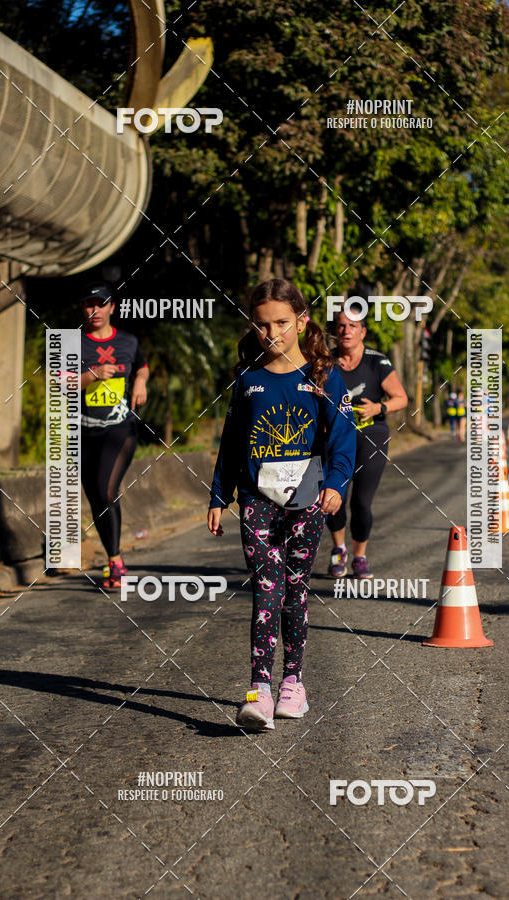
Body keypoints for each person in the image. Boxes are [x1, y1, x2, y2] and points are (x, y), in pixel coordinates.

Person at [207, 279, 356, 732]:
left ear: (302, 320)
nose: (271, 333)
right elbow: (232, 442)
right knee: (266, 589)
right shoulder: (247, 379)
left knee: (294, 590)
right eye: (262, 324)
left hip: (308, 500)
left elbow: (345, 437)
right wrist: (219, 494)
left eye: (281, 323)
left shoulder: (323, 375)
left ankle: (293, 682)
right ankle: (259, 690)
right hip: (256, 499)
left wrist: (335, 484)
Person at [326, 310, 407, 578]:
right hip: (335, 438)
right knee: (334, 497)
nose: (346, 330)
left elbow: (401, 398)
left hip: (371, 436)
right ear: (335, 331)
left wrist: (378, 407)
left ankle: (359, 556)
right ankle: (339, 549)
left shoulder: (377, 362)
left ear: (362, 332)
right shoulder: (326, 362)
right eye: (341, 326)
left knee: (361, 501)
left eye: (352, 326)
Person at [79, 283, 149, 589]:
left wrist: (140, 383)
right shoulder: (73, 343)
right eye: (89, 305)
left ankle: (116, 564)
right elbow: (58, 384)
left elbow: (142, 367)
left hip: (120, 427)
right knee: (95, 496)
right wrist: (93, 374)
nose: (95, 311)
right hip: (82, 430)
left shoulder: (128, 341)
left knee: (107, 490)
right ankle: (113, 557)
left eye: (101, 304)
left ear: (112, 307)